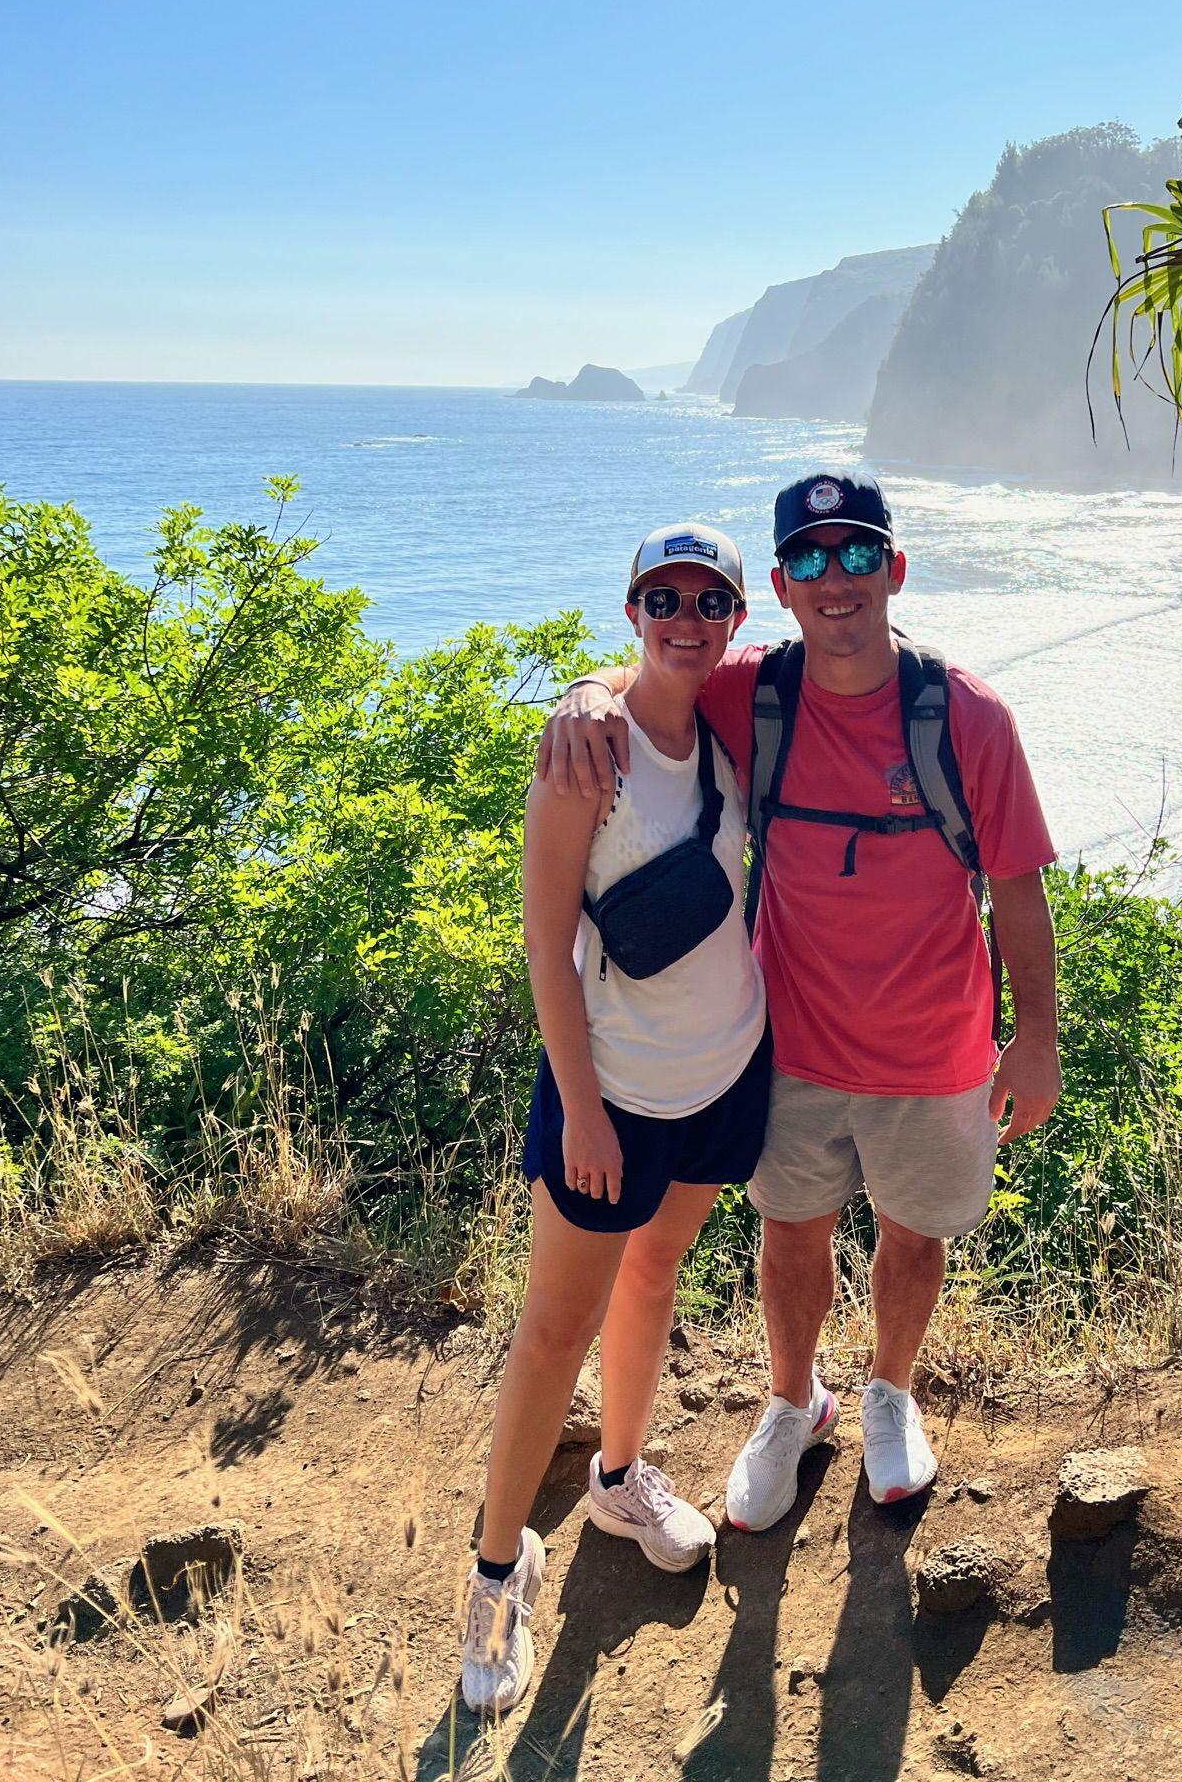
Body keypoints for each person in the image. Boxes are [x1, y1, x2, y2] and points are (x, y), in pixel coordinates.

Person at [538, 469, 1061, 1531]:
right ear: (779, 586)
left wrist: (1038, 1036)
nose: (837, 579)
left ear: (894, 569)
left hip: (937, 1043)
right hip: (791, 1043)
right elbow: (656, 674)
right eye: (812, 560)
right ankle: (792, 1403)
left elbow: (1017, 888)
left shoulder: (966, 716)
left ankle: (890, 1393)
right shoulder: (754, 693)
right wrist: (581, 694)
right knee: (791, 1233)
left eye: (859, 553)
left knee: (914, 1233)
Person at [460, 524, 771, 1714]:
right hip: (616, 1098)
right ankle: (498, 1571)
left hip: (727, 1075)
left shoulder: (734, 730)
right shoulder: (584, 754)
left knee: (656, 1280)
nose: (685, 617)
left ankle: (620, 1476)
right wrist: (580, 1108)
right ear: (632, 607)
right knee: (552, 1331)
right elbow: (545, 942)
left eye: (709, 599)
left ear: (737, 618)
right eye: (662, 596)